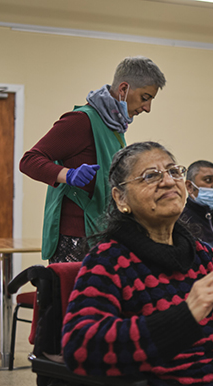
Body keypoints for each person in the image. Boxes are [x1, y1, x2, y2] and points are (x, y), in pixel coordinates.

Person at [61, 141, 213, 386]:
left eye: (174, 172)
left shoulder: (202, 255)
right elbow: (81, 348)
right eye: (151, 176)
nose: (168, 182)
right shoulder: (109, 260)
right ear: (121, 198)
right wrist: (185, 315)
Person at [20, 56, 166, 264]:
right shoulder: (81, 120)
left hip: (101, 231)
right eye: (145, 97)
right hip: (74, 237)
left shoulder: (114, 126)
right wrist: (68, 175)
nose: (147, 107)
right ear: (123, 89)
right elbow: (29, 160)